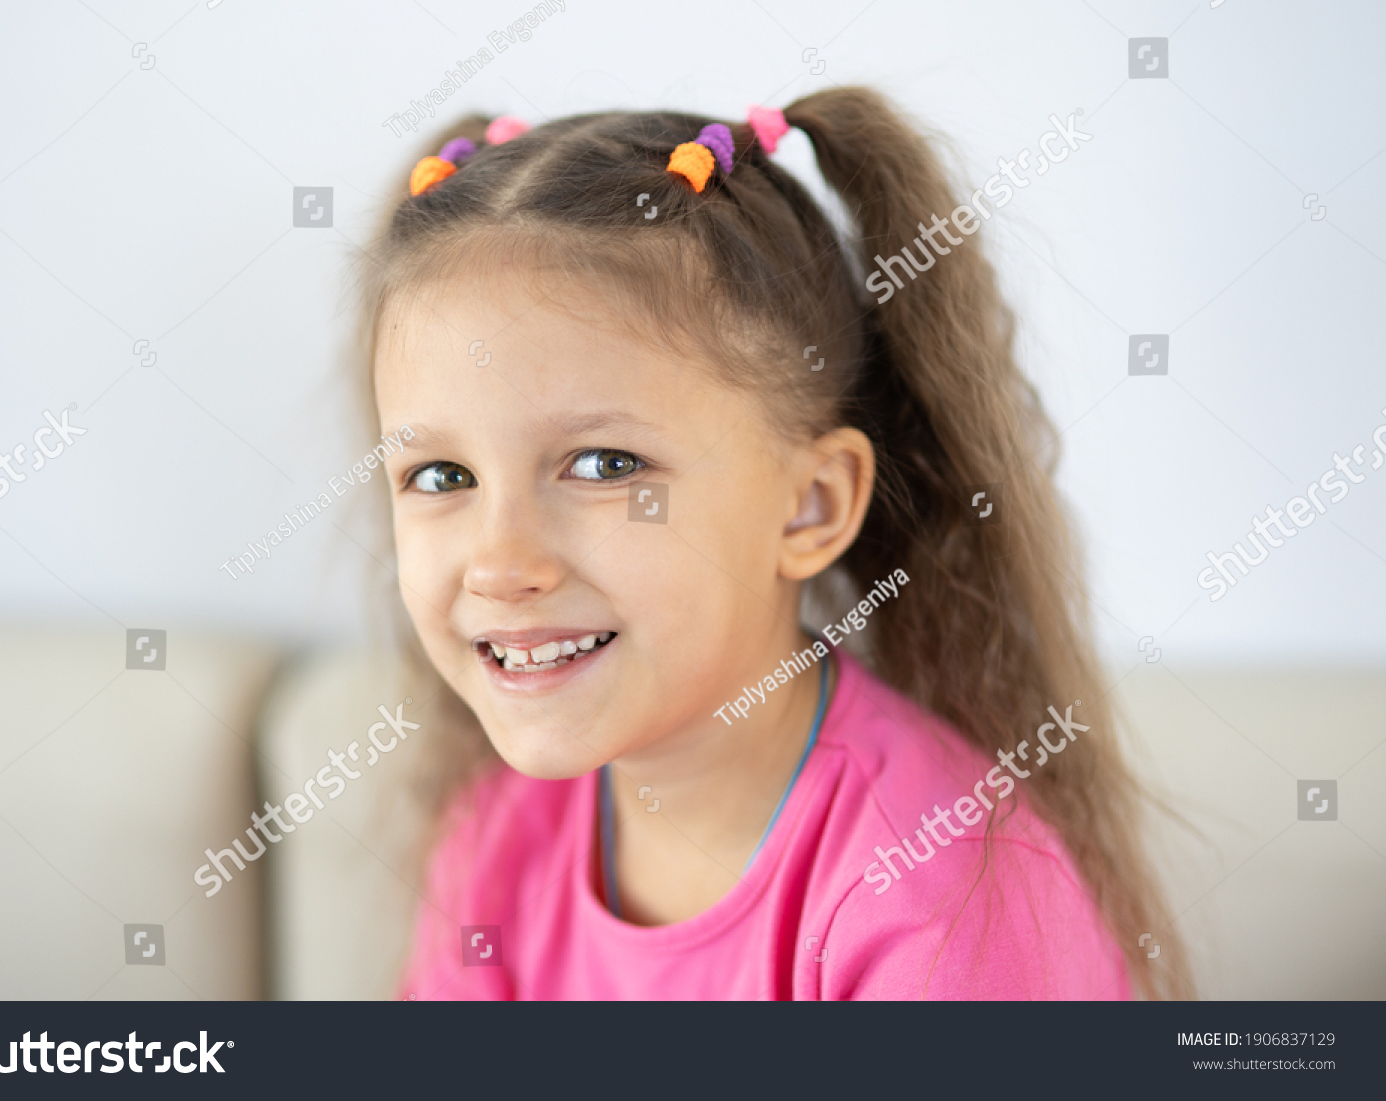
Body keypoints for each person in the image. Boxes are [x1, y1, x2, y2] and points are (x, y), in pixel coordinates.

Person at [351, 87, 1189, 999]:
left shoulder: (935, 896)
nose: (501, 563)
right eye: (440, 477)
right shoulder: (501, 830)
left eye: (603, 463)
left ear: (809, 506)